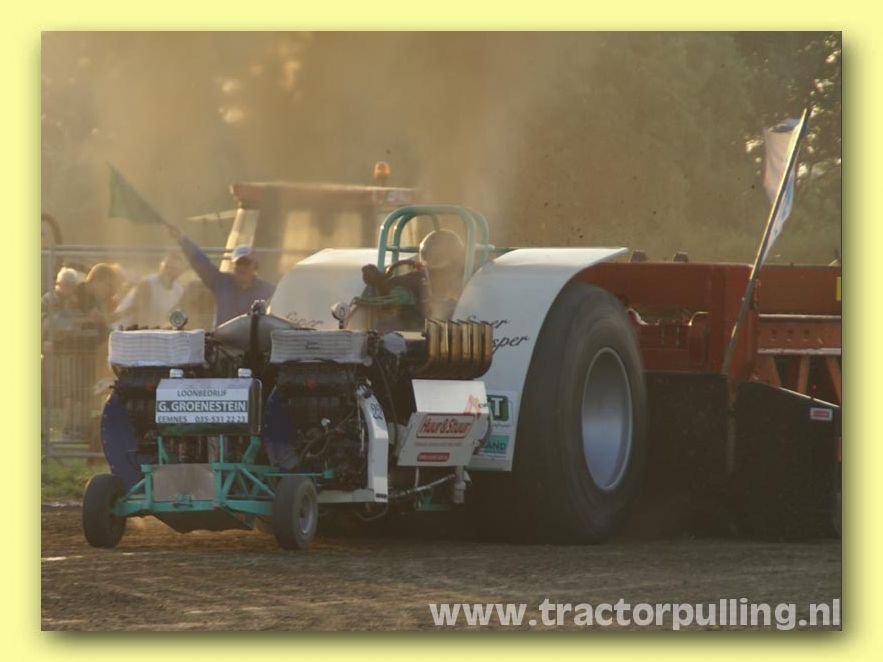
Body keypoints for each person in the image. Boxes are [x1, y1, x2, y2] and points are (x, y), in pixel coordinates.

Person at [165, 224, 275, 326]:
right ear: (233, 266)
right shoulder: (220, 282)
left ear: (254, 266)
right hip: (222, 338)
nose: (242, 268)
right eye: (238, 263)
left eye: (246, 263)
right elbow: (201, 262)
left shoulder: (268, 290)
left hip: (253, 339)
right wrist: (183, 240)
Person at [113, 253, 186, 328]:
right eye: (166, 266)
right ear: (161, 266)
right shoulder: (148, 284)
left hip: (151, 330)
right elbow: (136, 314)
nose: (169, 270)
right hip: (124, 328)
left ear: (179, 271)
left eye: (173, 268)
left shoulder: (179, 291)